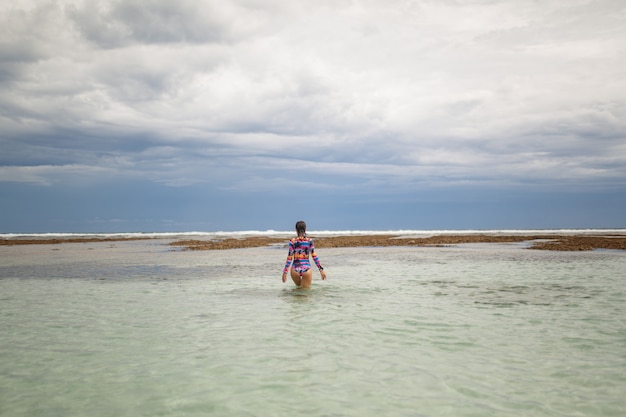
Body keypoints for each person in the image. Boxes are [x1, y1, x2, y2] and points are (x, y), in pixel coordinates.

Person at [282, 221, 327, 288]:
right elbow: (314, 256)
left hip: (295, 269)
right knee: (305, 294)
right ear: (305, 229)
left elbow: (289, 258)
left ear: (296, 230)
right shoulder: (309, 241)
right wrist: (321, 270)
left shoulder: (292, 241)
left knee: (298, 291)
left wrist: (285, 272)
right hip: (306, 269)